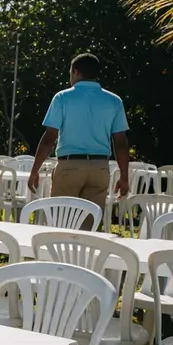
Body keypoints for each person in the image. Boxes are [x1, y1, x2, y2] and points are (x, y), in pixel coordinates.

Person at [27, 53, 130, 229]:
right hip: (100, 167)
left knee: (61, 222)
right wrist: (124, 176)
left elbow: (49, 137)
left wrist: (35, 170)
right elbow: (120, 142)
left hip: (70, 165)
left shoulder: (62, 97)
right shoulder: (114, 100)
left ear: (75, 72)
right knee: (89, 227)